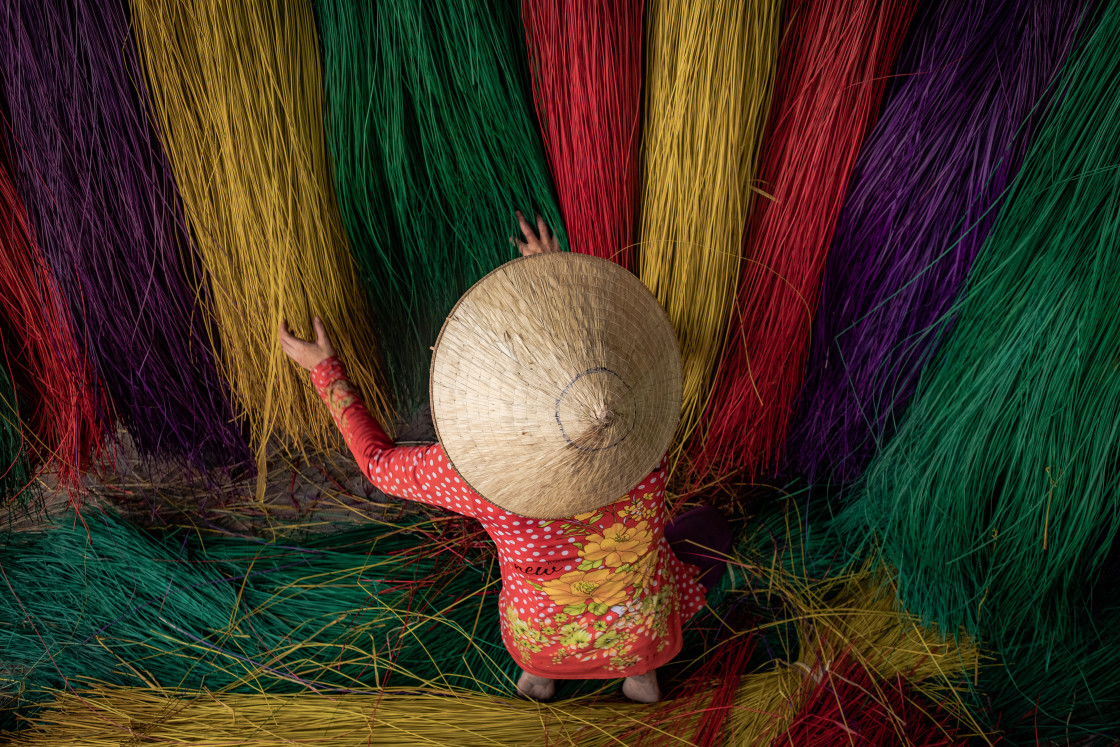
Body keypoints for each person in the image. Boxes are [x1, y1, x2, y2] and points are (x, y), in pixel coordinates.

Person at [280, 212, 731, 703]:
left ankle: (538, 682)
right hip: (638, 629)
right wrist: (555, 279)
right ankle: (641, 681)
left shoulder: (468, 478)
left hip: (540, 638)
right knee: (705, 530)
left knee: (537, 664)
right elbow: (615, 373)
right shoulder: (644, 436)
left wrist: (324, 371)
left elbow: (376, 464)